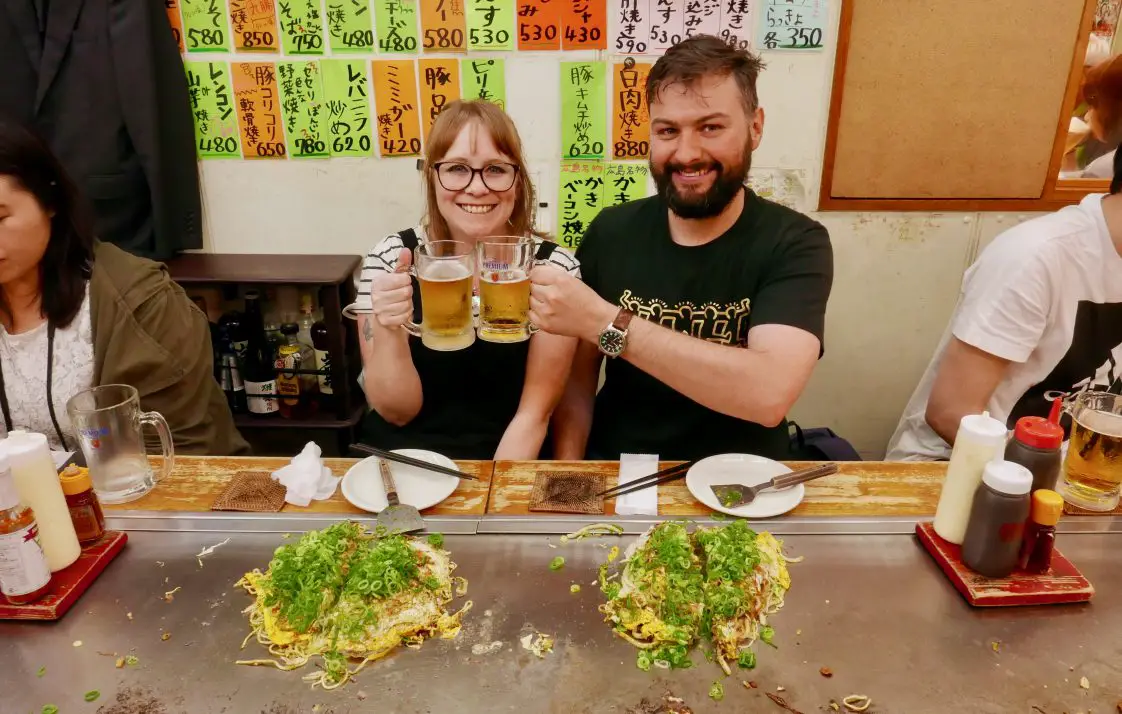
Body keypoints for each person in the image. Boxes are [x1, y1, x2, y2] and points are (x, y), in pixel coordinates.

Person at [531, 36, 834, 462]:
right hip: (621, 469)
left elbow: (768, 395)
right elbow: (577, 383)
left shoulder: (796, 242)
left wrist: (608, 322)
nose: (687, 154)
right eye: (668, 131)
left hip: (741, 481)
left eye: (710, 127)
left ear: (755, 126)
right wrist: (568, 475)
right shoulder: (611, 231)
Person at [0, 118, 248, 454]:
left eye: (0, 218)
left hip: (132, 498)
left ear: (50, 200)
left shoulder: (143, 302)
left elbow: (183, 452)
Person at [349, 100, 580, 460]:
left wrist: (490, 502)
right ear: (432, 176)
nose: (476, 188)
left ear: (517, 180)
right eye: (457, 169)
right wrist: (390, 327)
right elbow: (397, 411)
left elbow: (534, 414)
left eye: (495, 169)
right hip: (401, 459)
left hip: (508, 458)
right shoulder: (392, 256)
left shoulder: (555, 267)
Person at [886, 152, 1122, 461]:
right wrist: (1062, 473)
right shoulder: (1036, 256)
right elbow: (952, 413)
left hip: (1086, 471)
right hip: (958, 466)